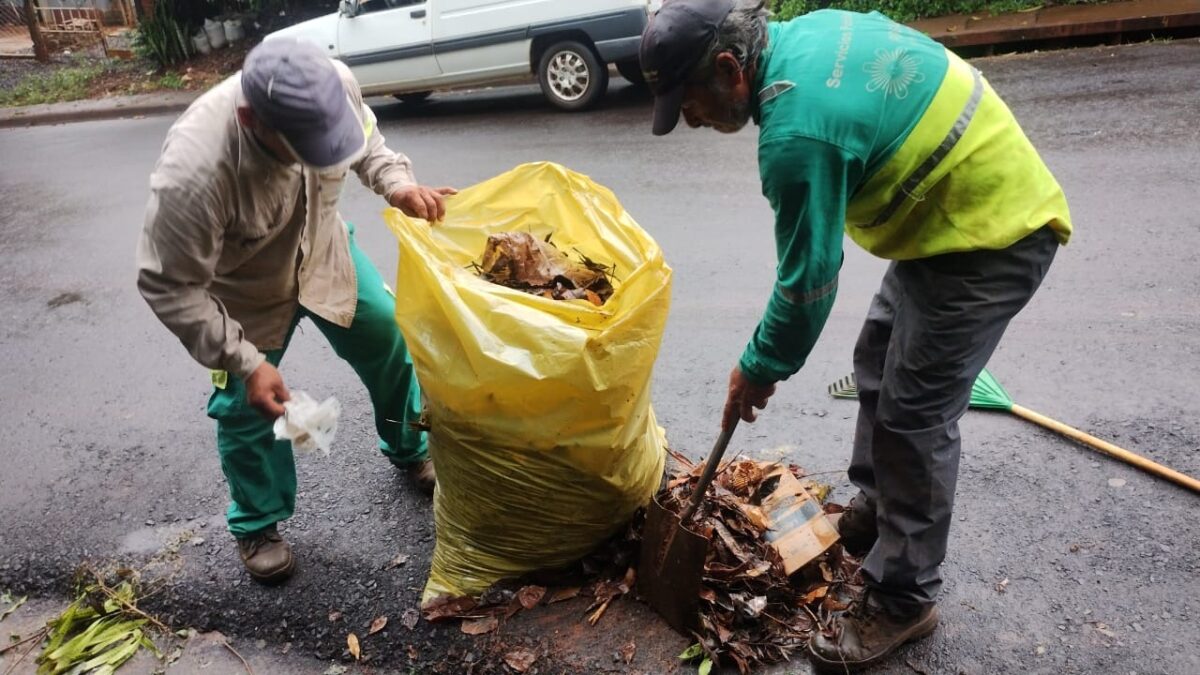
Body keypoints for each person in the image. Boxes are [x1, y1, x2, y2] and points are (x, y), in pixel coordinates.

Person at [640, 1, 1072, 670]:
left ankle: (904, 597)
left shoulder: (795, 133)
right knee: (877, 352)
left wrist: (757, 367)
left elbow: (807, 283)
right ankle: (879, 503)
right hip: (951, 208)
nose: (690, 119)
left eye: (690, 101)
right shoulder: (802, 34)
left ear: (730, 68)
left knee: (913, 414)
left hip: (993, 228)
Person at [136, 38, 454, 585]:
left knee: (390, 341)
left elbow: (368, 142)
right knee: (244, 407)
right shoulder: (194, 171)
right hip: (246, 293)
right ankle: (258, 522)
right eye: (307, 147)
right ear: (250, 119)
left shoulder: (334, 84)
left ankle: (410, 447)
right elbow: (168, 285)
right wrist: (245, 361)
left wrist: (397, 184)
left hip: (325, 251)